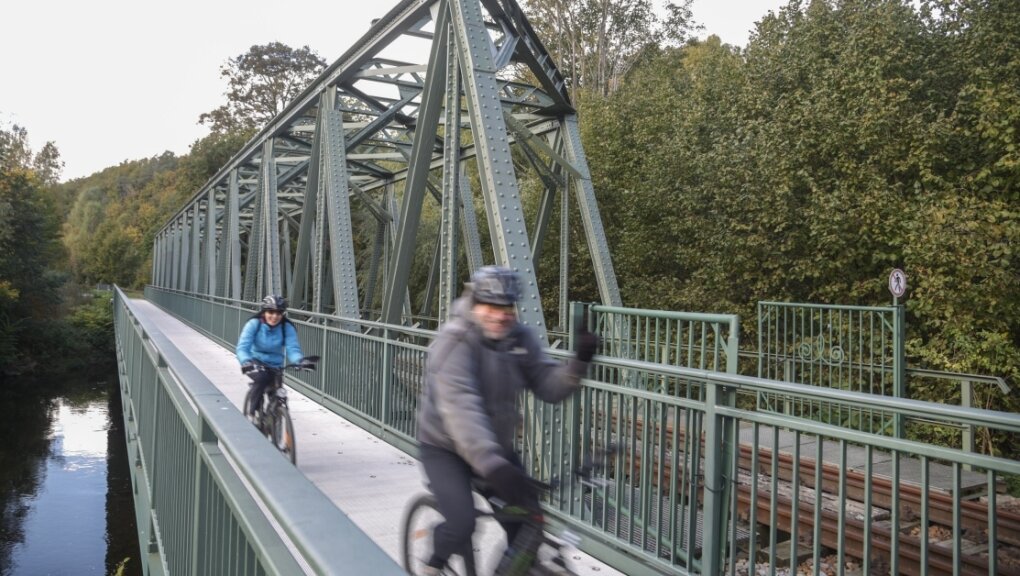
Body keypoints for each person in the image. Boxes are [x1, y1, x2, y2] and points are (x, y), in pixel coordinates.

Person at [416, 266, 599, 573]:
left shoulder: (519, 338)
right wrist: (492, 464)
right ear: (474, 304)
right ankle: (434, 563)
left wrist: (578, 363)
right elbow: (461, 407)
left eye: (507, 307)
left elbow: (547, 386)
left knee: (529, 527)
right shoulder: (455, 342)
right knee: (462, 522)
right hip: (444, 448)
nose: (500, 315)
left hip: (493, 449)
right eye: (491, 306)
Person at [236, 294, 308, 421]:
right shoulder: (254, 324)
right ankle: (252, 415)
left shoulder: (287, 327)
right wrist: (246, 362)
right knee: (262, 378)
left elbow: (292, 349)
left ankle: (276, 420)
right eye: (271, 312)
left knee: (278, 394)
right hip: (255, 361)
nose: (275, 316)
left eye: (279, 313)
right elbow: (242, 347)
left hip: (275, 365)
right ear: (264, 312)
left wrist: (300, 361)